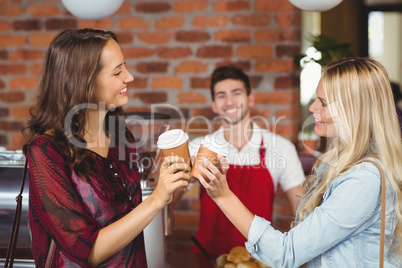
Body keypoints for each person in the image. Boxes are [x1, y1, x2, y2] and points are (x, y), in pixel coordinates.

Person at [197, 58, 402, 266]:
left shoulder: (363, 179)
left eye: (323, 102)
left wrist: (222, 195)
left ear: (354, 110)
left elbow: (287, 253)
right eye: (316, 99)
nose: (312, 107)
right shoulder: (333, 165)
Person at [22, 28, 190, 267]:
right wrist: (156, 199)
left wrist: (175, 180)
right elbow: (88, 252)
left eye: (125, 66)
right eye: (118, 72)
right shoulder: (46, 151)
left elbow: (128, 218)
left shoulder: (121, 136)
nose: (129, 77)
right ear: (84, 82)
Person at [188, 65, 306, 257]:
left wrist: (298, 251)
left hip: (260, 257)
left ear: (250, 99)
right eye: (221, 96)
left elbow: (301, 207)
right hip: (209, 257)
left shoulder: (280, 148)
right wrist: (185, 174)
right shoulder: (199, 148)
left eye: (236, 93)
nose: (229, 101)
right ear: (214, 105)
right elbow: (171, 199)